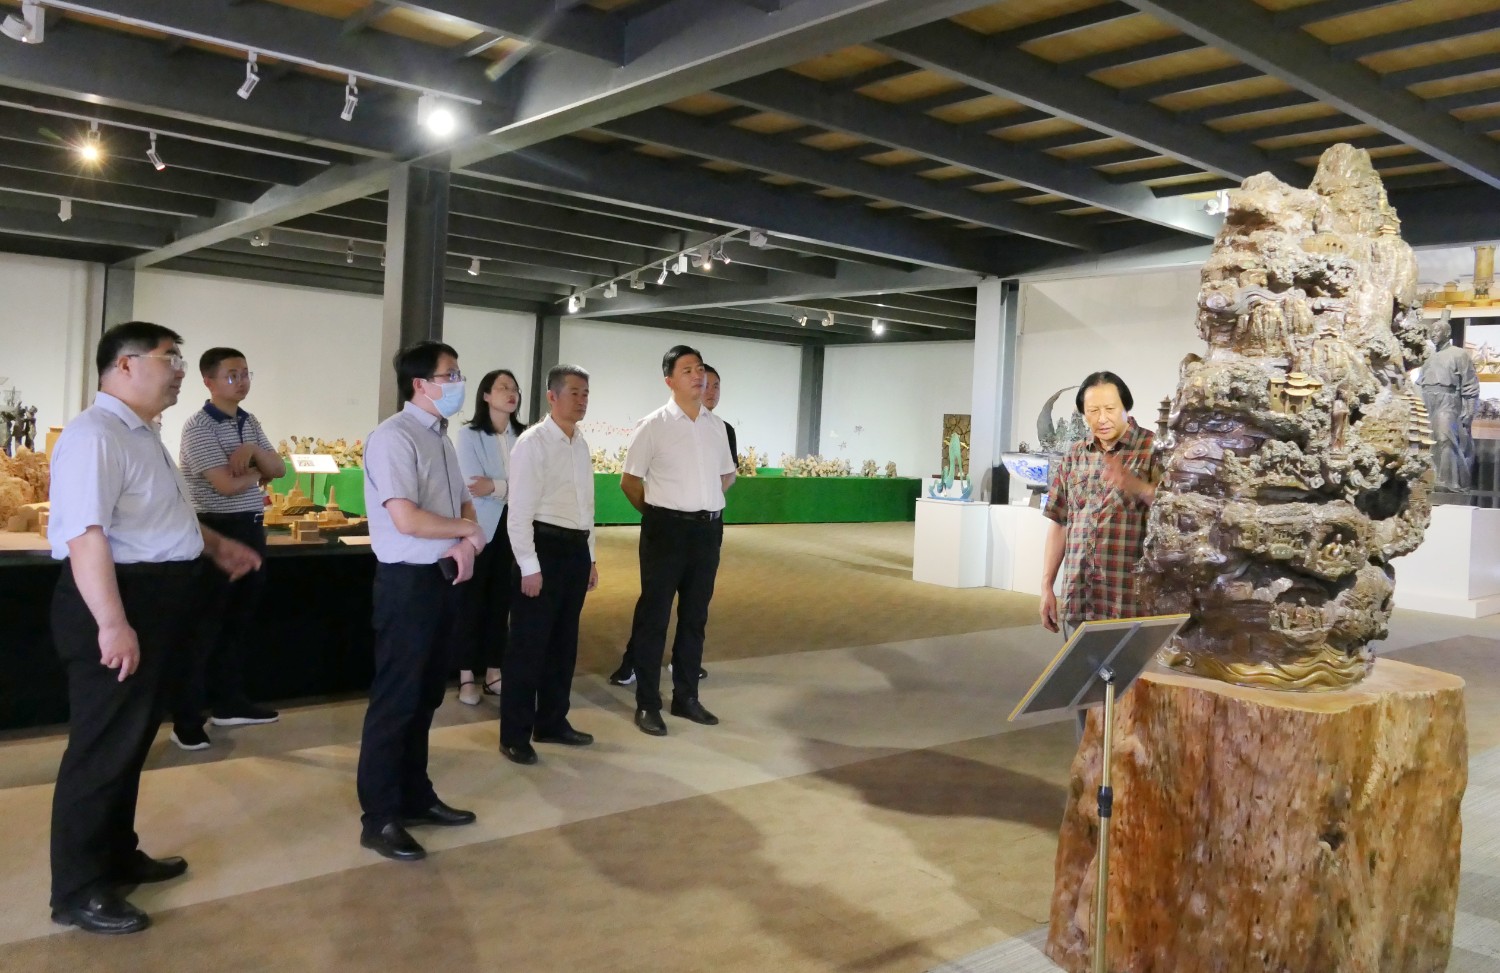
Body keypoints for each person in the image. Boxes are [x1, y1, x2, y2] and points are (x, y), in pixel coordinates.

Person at [47, 321, 261, 934]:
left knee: (131, 741)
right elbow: (86, 536)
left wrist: (213, 544)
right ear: (125, 365)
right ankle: (79, 888)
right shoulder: (95, 435)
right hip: (117, 602)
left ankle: (117, 855)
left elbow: (158, 517)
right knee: (101, 749)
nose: (179, 372)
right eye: (170, 359)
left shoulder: (141, 433)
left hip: (156, 601)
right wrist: (112, 624)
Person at [358, 340, 484, 862]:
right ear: (420, 384)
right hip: (407, 583)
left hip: (443, 578)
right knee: (397, 699)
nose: (457, 383)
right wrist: (468, 531)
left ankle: (415, 795)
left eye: (457, 374)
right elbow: (407, 518)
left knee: (428, 694)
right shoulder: (393, 437)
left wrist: (465, 540)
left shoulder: (441, 439)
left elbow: (463, 502)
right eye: (449, 375)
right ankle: (380, 816)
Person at [170, 347, 285, 750]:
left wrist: (252, 454)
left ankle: (229, 703)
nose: (241, 381)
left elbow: (280, 469)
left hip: (250, 528)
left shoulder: (249, 422)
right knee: (205, 627)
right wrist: (259, 471)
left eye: (246, 373)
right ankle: (187, 719)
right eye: (232, 375)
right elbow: (225, 484)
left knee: (238, 623)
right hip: (215, 532)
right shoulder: (198, 426)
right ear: (209, 381)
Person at [618, 346, 735, 737]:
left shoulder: (716, 427)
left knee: (695, 617)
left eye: (700, 368)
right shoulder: (653, 425)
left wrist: (703, 503)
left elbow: (725, 476)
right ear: (669, 380)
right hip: (666, 530)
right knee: (655, 618)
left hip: (707, 532)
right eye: (688, 370)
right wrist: (658, 515)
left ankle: (686, 697)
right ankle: (648, 703)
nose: (698, 376)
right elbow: (629, 482)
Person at [500, 364, 598, 765]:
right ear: (552, 396)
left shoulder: (581, 443)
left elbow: (587, 507)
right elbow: (518, 512)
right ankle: (515, 735)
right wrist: (529, 565)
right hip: (543, 548)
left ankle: (552, 721)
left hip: (575, 551)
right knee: (528, 648)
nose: (582, 400)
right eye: (574, 392)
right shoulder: (533, 443)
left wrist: (591, 558)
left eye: (586, 393)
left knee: (563, 644)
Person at [1039, 371, 1162, 637]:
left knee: (1131, 666)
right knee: (1078, 664)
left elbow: (1177, 512)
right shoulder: (1075, 455)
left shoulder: (1154, 449)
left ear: (1126, 408)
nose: (1102, 418)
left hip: (1130, 602)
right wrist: (1047, 585)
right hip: (1079, 599)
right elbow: (1059, 523)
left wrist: (1138, 487)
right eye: (1093, 411)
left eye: (1110, 409)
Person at [453, 369, 525, 705]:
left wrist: (495, 486)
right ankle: (466, 675)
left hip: (516, 529)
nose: (511, 393)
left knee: (502, 602)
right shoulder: (469, 435)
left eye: (515, 388)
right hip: (480, 528)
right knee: (471, 602)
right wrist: (509, 490)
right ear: (485, 395)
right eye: (503, 387)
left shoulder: (525, 436)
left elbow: (531, 487)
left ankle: (495, 671)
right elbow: (472, 484)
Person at [1420, 315, 1479, 492]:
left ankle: (1447, 481)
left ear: (1447, 333)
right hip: (1427, 400)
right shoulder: (1429, 357)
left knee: (1444, 437)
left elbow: (1470, 384)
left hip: (1448, 400)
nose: (1433, 334)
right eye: (1431, 331)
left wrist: (1469, 411)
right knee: (1427, 440)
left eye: (1437, 330)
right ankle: (1430, 479)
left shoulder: (1459, 354)